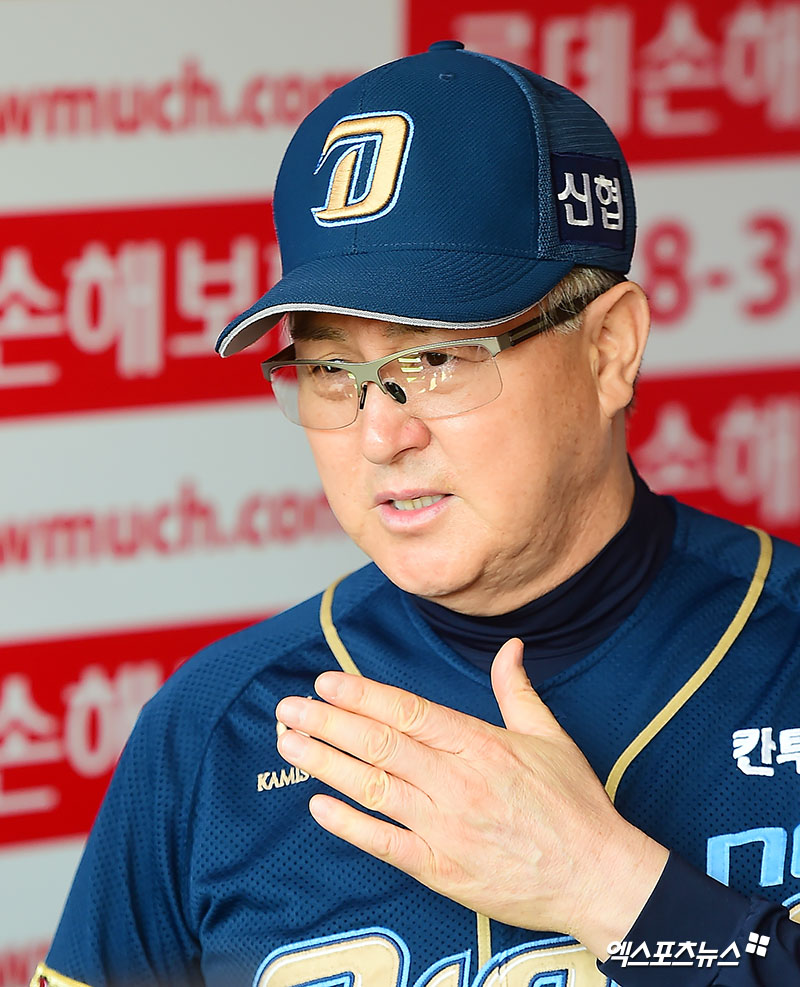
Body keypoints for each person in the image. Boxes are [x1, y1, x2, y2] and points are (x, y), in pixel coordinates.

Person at [34, 41, 800, 987]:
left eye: (435, 359)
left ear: (610, 350)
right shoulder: (212, 727)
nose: (379, 434)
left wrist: (612, 892)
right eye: (330, 368)